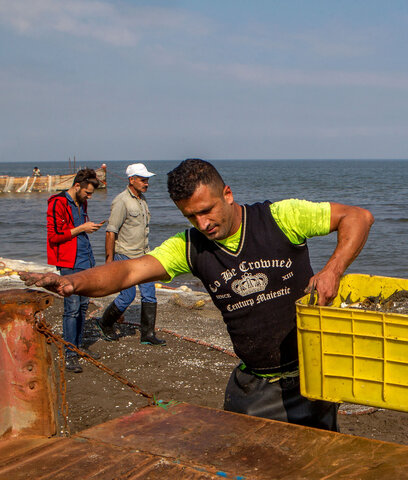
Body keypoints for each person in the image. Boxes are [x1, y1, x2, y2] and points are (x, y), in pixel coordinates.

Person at [23, 158, 374, 431]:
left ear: (228, 194)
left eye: (207, 210)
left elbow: (357, 217)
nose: (202, 224)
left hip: (313, 374)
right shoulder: (190, 247)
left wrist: (332, 270)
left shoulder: (281, 217)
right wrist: (74, 282)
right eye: (191, 216)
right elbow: (129, 271)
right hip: (255, 384)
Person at [96, 163, 165, 345]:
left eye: (147, 180)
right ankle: (105, 323)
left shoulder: (142, 200)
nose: (146, 183)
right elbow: (111, 231)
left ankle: (148, 335)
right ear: (131, 180)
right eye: (143, 180)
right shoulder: (121, 201)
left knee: (149, 294)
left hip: (143, 255)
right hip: (125, 256)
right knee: (127, 296)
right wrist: (109, 260)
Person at [46, 168, 104, 373]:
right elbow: (54, 237)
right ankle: (70, 353)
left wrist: (89, 227)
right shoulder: (57, 203)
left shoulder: (82, 202)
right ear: (77, 186)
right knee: (71, 308)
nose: (89, 196)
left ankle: (78, 348)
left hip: (85, 258)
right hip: (69, 262)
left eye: (91, 194)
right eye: (87, 193)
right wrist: (82, 228)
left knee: (82, 306)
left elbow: (78, 229)